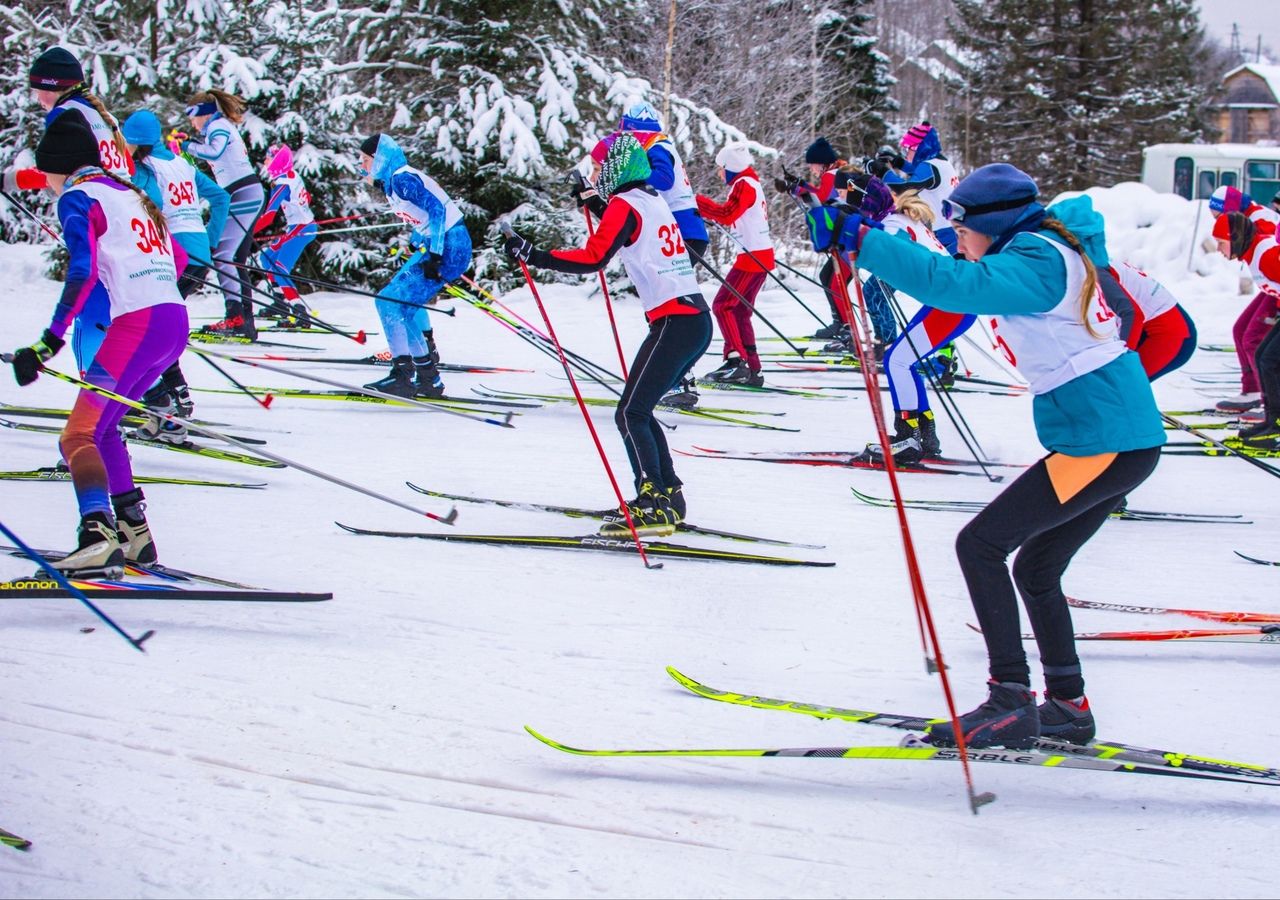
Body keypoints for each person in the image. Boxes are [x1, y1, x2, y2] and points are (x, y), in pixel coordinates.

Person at [808, 163, 1165, 748]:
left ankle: (1009, 701)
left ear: (992, 224)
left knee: (980, 545)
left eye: (962, 225)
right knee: (1035, 567)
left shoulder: (1036, 258)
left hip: (1106, 438)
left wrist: (863, 240)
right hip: (1115, 435)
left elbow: (955, 286)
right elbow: (962, 268)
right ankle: (1068, 706)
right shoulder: (1044, 247)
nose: (958, 237)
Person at [8, 111, 188, 575]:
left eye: (46, 171)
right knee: (104, 429)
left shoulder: (77, 197)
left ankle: (97, 535)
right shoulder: (129, 192)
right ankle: (134, 534)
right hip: (172, 323)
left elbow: (83, 270)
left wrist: (49, 342)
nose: (46, 182)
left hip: (139, 328)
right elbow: (180, 257)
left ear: (60, 166)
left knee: (76, 435)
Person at [504, 133, 712, 533]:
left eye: (600, 168)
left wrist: (536, 255)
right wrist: (592, 201)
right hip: (694, 321)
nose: (596, 173)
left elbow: (594, 257)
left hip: (675, 321)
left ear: (617, 168)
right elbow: (626, 227)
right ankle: (668, 496)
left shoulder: (624, 203)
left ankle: (652, 501)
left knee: (630, 413)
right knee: (640, 410)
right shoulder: (650, 199)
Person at [3, 47, 133, 374]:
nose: (37, 98)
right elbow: (125, 166)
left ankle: (104, 398)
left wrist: (11, 180)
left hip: (99, 217)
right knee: (125, 313)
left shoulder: (66, 114)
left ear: (50, 87)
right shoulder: (103, 115)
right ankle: (157, 391)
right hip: (130, 217)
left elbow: (62, 169)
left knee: (91, 313)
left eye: (37, 90)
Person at [121, 108, 230, 443]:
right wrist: (209, 240)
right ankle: (172, 399)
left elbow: (138, 204)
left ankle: (171, 404)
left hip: (172, 255)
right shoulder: (181, 162)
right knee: (159, 325)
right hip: (197, 252)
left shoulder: (144, 168)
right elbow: (221, 197)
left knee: (151, 326)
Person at [358, 133, 471, 399]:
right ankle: (427, 379)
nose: (361, 165)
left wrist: (435, 253)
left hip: (450, 247)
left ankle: (404, 376)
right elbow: (424, 217)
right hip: (443, 244)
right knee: (400, 307)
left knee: (387, 301)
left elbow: (439, 211)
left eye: (365, 159)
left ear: (379, 158)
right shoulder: (394, 181)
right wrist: (418, 241)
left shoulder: (402, 178)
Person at [864, 174, 962, 464]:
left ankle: (909, 437)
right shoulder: (908, 220)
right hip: (949, 302)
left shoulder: (896, 224)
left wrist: (863, 248)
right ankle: (924, 433)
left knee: (897, 360)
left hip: (950, 303)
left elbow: (895, 244)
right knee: (902, 360)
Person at [179, 90, 265, 338]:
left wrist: (187, 145)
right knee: (232, 257)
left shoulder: (218, 125)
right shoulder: (218, 126)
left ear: (202, 114)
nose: (191, 122)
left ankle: (238, 319)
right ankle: (241, 320)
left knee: (224, 255)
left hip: (243, 193)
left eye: (192, 116)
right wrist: (191, 145)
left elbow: (214, 151)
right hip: (242, 192)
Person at [695, 141, 774, 386]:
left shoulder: (743, 184)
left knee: (722, 305)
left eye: (721, 168)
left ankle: (735, 361)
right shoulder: (751, 183)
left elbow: (728, 214)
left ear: (731, 167)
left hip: (752, 258)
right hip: (758, 256)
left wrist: (696, 201)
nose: (720, 173)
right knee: (739, 311)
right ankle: (752, 367)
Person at [775, 136, 853, 341]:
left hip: (845, 238)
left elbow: (821, 201)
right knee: (827, 278)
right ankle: (840, 324)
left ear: (823, 162)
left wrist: (796, 189)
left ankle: (847, 330)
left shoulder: (832, 175)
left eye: (813, 165)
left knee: (836, 283)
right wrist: (800, 185)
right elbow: (822, 195)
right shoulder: (838, 172)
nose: (812, 169)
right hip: (846, 235)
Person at [1209, 186, 1279, 411]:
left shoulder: (1259, 223)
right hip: (1271, 285)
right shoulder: (1243, 227)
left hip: (1273, 281)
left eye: (1219, 216)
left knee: (1254, 339)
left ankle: (1267, 399)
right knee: (1242, 331)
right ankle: (1254, 391)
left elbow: (1269, 254)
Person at [255, 143, 317, 327]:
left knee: (280, 268)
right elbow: (307, 197)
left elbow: (268, 217)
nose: (265, 161)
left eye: (268, 158)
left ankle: (300, 312)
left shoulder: (282, 184)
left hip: (302, 228)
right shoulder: (290, 175)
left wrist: (246, 232)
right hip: (298, 226)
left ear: (276, 162)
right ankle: (280, 303)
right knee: (267, 258)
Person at [881, 121, 960, 254]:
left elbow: (907, 188)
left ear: (921, 148)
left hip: (948, 236)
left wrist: (882, 172)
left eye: (908, 149)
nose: (906, 153)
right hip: (954, 230)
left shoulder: (930, 167)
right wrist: (898, 162)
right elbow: (918, 172)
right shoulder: (940, 162)